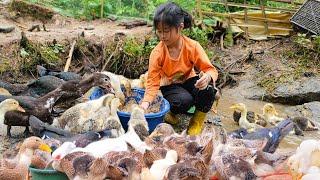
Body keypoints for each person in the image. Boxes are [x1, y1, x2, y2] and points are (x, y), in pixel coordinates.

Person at [140, 2, 218, 135]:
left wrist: (207, 77)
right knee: (183, 101)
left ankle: (196, 122)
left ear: (180, 27)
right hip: (169, 85)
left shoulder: (192, 46)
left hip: (189, 79)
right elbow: (152, 82)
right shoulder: (157, 53)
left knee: (210, 90)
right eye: (159, 31)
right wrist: (145, 104)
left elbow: (211, 70)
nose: (162, 36)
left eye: (166, 31)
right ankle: (170, 113)